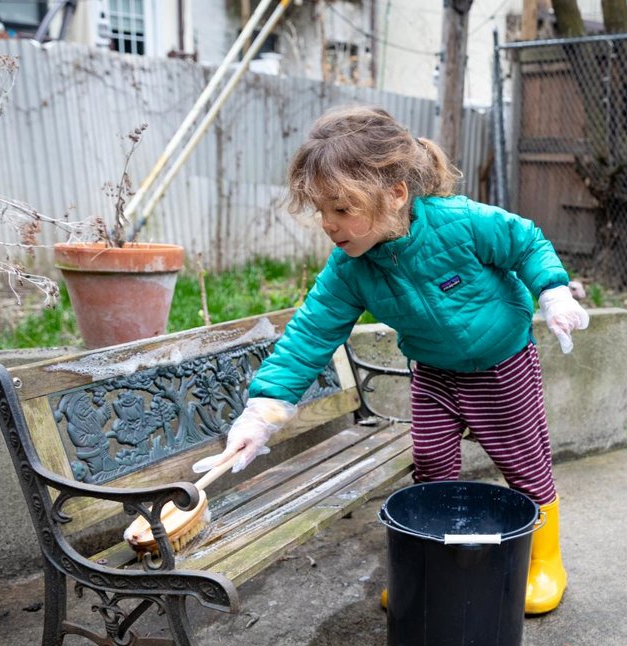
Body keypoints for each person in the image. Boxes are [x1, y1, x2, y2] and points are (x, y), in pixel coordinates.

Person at [194, 106, 589, 615]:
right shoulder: (350, 270)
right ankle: (438, 567)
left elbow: (526, 243)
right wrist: (262, 414)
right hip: (432, 375)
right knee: (432, 466)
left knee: (523, 463)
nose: (328, 225)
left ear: (396, 194)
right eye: (321, 211)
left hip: (501, 366)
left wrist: (554, 293)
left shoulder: (461, 222)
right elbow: (310, 334)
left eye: (341, 209)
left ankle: (545, 562)